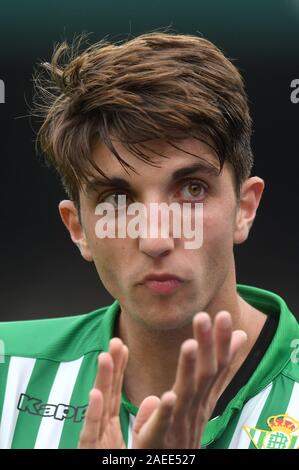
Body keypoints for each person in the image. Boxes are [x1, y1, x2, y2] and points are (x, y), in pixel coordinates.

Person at [0, 31, 299, 450]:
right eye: (117, 200)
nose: (155, 238)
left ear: (244, 208)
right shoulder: (5, 372)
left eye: (192, 190)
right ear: (78, 228)